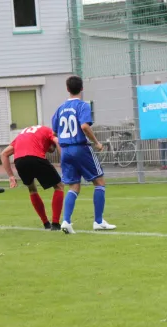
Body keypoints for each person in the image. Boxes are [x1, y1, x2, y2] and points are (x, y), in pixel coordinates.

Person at [52, 75, 116, 234]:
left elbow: (54, 131)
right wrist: (96, 142)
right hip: (80, 148)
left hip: (65, 150)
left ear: (67, 89)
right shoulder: (82, 106)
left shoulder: (60, 109)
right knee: (99, 182)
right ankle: (98, 221)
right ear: (82, 89)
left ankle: (66, 221)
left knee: (74, 185)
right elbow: (85, 126)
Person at [0, 125, 64, 230]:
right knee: (59, 186)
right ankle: (56, 224)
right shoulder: (48, 131)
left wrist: (11, 176)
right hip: (36, 157)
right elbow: (57, 141)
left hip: (19, 161)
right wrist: (64, 160)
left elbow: (4, 154)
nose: (50, 150)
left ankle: (46, 224)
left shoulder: (23, 134)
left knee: (32, 189)